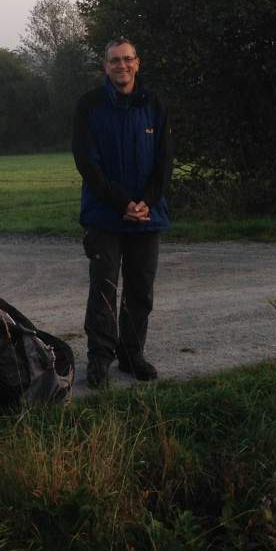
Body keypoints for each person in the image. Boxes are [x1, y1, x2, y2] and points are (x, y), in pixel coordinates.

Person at [72, 37, 173, 389]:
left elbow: (164, 160)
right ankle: (100, 358)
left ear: (137, 63)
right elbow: (87, 162)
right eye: (114, 60)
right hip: (104, 214)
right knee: (104, 288)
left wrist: (146, 202)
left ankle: (132, 356)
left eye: (127, 59)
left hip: (147, 214)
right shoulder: (89, 105)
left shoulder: (155, 104)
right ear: (105, 65)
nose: (122, 65)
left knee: (140, 289)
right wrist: (121, 203)